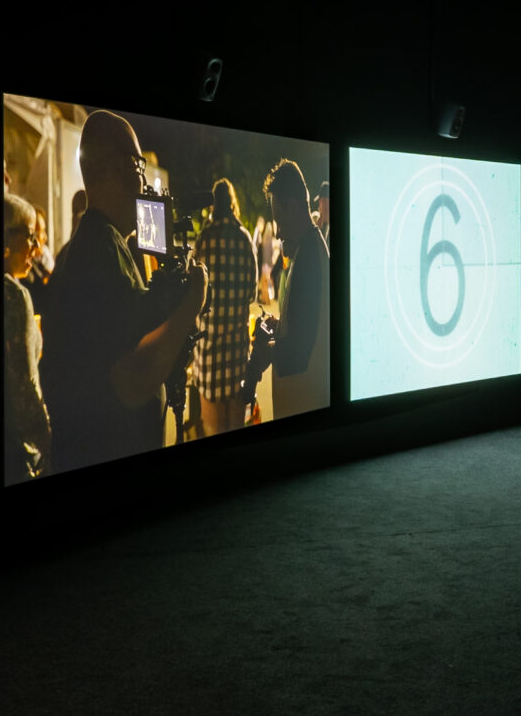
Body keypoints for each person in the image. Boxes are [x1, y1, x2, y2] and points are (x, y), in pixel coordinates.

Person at [37, 111, 206, 475]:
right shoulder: (99, 251)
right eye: (139, 164)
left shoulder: (102, 242)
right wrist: (191, 303)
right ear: (117, 168)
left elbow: (133, 325)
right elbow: (133, 381)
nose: (144, 181)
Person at [260, 158, 330, 420]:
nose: (277, 234)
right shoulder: (308, 250)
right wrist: (278, 327)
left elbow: (298, 357)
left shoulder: (309, 256)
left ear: (292, 207)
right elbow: (305, 328)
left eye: (278, 220)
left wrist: (264, 351)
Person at [192, 179, 258, 435]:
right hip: (237, 356)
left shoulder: (203, 240)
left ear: (213, 206)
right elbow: (252, 294)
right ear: (232, 204)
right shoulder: (245, 241)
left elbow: (194, 294)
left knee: (214, 432)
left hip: (208, 357)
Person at [0, 193, 51, 482]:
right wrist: (46, 437)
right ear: (7, 240)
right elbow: (25, 386)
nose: (35, 247)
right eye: (30, 236)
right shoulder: (16, 296)